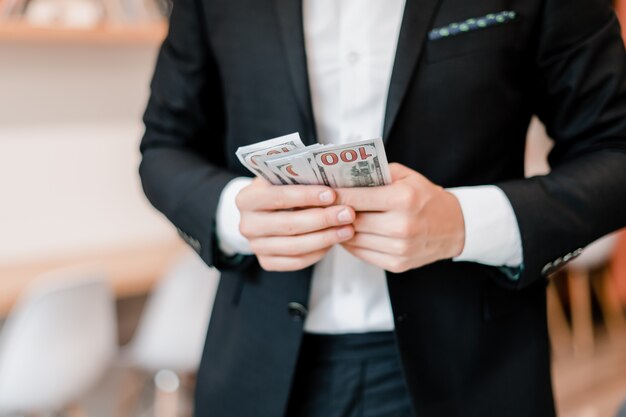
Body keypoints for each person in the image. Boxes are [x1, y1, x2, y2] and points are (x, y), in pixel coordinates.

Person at [138, 0, 626, 415]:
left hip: (474, 367)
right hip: (258, 368)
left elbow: (615, 151)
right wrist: (235, 215)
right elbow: (163, 146)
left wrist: (464, 224)